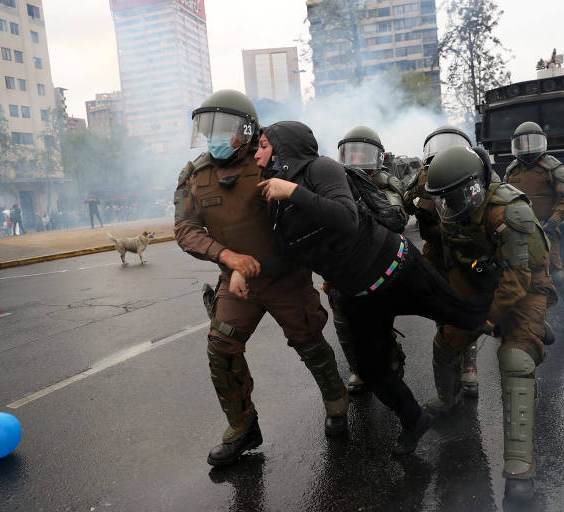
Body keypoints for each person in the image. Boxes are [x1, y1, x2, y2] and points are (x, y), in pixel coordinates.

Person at [253, 121, 487, 455]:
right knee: (372, 371)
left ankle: (513, 323)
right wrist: (244, 270)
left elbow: (346, 218)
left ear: (283, 149)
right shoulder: (275, 204)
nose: (257, 155)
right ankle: (414, 420)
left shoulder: (322, 169)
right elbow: (289, 257)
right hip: (360, 297)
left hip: (397, 269)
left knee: (462, 314)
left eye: (263, 146)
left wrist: (293, 191)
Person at [174, 90, 349, 468]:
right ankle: (242, 428)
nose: (213, 136)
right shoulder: (195, 176)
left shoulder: (271, 162)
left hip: (286, 276)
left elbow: (309, 211)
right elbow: (186, 229)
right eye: (207, 129)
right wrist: (228, 258)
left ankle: (337, 404)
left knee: (310, 344)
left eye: (222, 128)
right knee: (221, 348)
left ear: (247, 129)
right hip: (238, 283)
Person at [424, 145, 557, 499]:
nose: (448, 205)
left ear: (474, 185)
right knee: (447, 339)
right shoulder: (452, 210)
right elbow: (451, 263)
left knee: (515, 358)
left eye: (454, 196)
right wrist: (454, 311)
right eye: (442, 199)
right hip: (482, 280)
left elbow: (518, 278)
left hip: (526, 282)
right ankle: (447, 399)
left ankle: (519, 466)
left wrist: (487, 319)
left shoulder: (510, 211)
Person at [403, 126, 483, 400]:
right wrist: (416, 197)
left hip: (464, 256)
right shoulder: (423, 176)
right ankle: (451, 376)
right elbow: (406, 202)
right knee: (441, 310)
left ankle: (469, 367)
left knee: (466, 310)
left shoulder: (470, 173)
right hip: (435, 256)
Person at [328, 125, 408, 393]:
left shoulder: (385, 183)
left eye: (363, 154)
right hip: (342, 266)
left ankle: (391, 360)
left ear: (377, 157)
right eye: (351, 154)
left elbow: (395, 213)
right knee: (343, 322)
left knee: (378, 321)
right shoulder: (332, 182)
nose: (356, 160)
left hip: (377, 265)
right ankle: (358, 369)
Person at [505, 122, 564, 321]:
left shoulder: (553, 167)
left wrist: (553, 222)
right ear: (516, 145)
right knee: (515, 270)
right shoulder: (512, 170)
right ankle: (523, 315)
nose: (529, 147)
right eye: (524, 143)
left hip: (545, 227)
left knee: (554, 271)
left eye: (533, 142)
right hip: (518, 229)